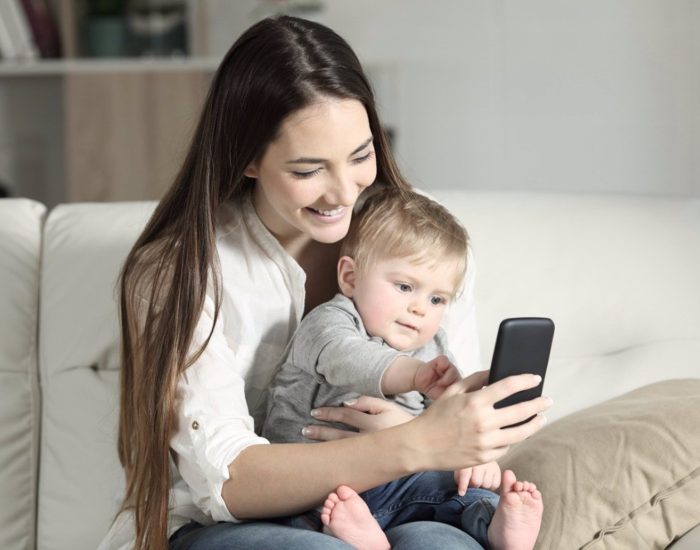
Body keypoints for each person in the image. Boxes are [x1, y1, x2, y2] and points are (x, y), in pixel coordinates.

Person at [100, 15, 552, 550]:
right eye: (309, 169)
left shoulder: (423, 247)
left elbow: (448, 417)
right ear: (247, 157)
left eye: (361, 156)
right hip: (229, 526)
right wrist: (412, 444)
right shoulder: (182, 271)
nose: (344, 191)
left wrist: (467, 440)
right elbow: (226, 484)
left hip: (396, 501)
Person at [262, 189, 543, 549]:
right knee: (302, 512)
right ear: (350, 277)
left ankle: (493, 525)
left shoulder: (435, 346)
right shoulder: (329, 323)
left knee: (462, 489)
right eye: (405, 286)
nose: (420, 308)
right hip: (318, 479)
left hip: (401, 486)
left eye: (437, 298)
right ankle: (354, 535)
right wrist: (414, 375)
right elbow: (345, 358)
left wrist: (475, 457)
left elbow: (449, 424)